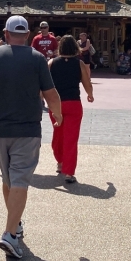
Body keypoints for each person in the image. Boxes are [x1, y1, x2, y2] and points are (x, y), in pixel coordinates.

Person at [0, 15, 63, 259]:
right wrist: (58, 115)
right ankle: (10, 234)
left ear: (6, 33)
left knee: (9, 177)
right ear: (28, 35)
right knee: (20, 179)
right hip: (27, 128)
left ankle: (15, 223)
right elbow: (50, 92)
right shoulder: (37, 59)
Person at [48, 35, 93, 184]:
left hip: (56, 104)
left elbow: (45, 85)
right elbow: (86, 82)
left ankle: (60, 162)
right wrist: (90, 94)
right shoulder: (79, 63)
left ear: (60, 47)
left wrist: (41, 98)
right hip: (73, 103)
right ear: (75, 47)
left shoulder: (51, 63)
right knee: (71, 139)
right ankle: (69, 172)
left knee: (58, 135)